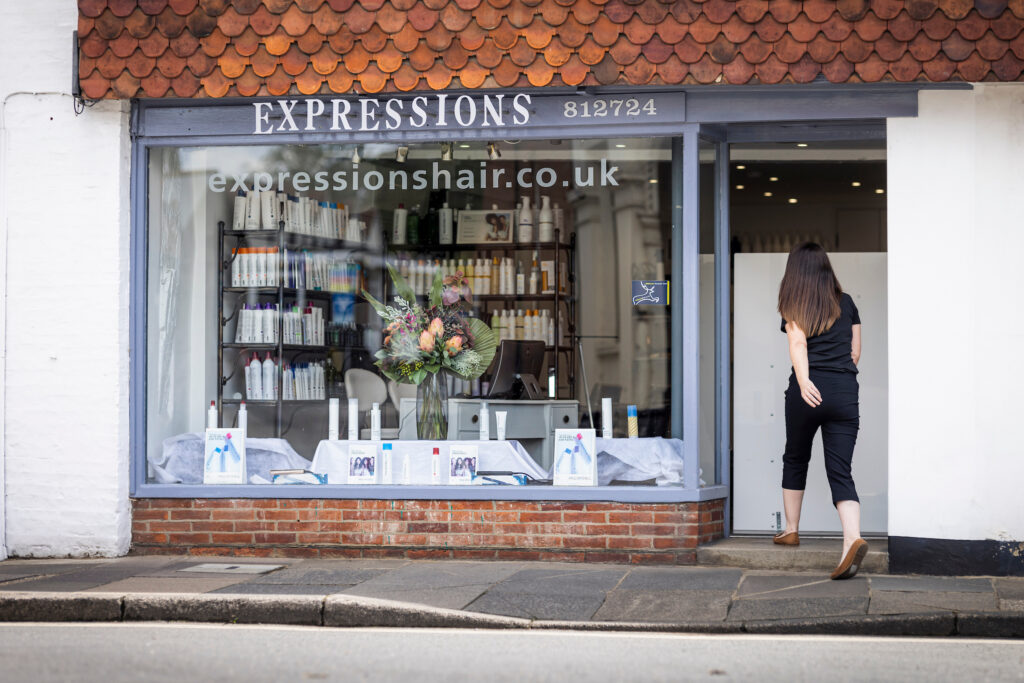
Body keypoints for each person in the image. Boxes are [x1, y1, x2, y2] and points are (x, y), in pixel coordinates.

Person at [775, 242, 868, 580]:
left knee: (796, 457)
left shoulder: (792, 304)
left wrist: (804, 382)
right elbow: (855, 352)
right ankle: (851, 540)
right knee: (841, 470)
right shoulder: (847, 303)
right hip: (845, 392)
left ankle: (791, 529)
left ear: (794, 273)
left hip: (808, 392)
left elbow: (797, 344)